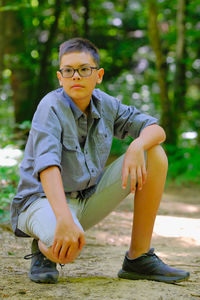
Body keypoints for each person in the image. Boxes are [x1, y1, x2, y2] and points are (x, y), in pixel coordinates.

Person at [10, 37, 189, 284]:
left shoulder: (105, 104)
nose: (76, 76)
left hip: (86, 198)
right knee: (67, 248)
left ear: (98, 75)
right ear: (60, 77)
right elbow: (48, 167)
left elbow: (156, 130)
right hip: (42, 201)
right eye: (69, 70)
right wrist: (63, 221)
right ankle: (43, 247)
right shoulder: (50, 106)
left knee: (154, 152)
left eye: (84, 69)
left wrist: (137, 145)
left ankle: (138, 258)